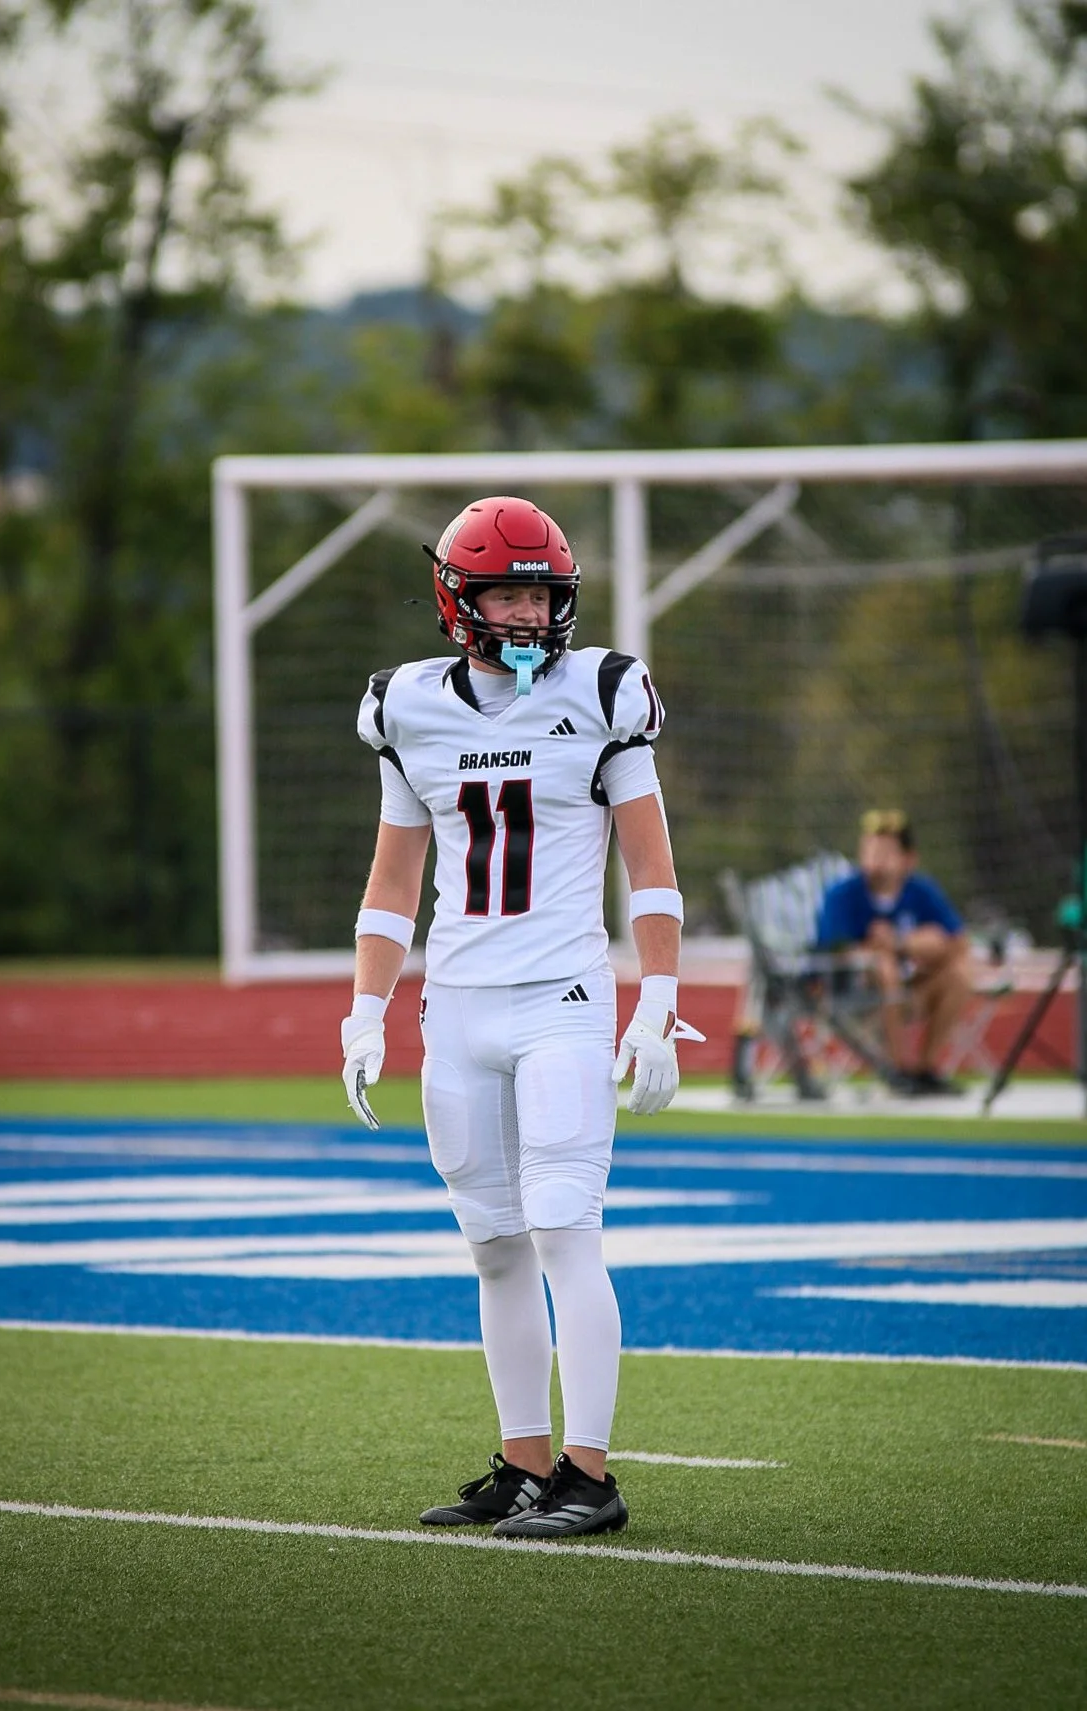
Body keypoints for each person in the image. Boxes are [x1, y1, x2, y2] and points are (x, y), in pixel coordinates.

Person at [339, 494, 700, 1541]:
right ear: (460, 599)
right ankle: (525, 1462)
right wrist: (368, 1008)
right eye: (509, 591)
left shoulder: (603, 695)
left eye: (543, 594)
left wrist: (660, 1001)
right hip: (455, 1007)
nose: (532, 615)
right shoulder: (408, 707)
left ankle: (590, 1475)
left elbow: (653, 868)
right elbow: (393, 879)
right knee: (492, 1243)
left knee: (562, 1230)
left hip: (563, 1001)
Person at [813, 809, 972, 1096]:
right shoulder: (843, 894)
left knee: (960, 974)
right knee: (883, 967)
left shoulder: (921, 891)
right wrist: (873, 952)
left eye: (885, 852)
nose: (875, 859)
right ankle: (897, 1071)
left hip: (911, 993)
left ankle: (924, 1070)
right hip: (859, 1001)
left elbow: (958, 943)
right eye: (869, 850)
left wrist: (904, 943)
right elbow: (832, 950)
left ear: (908, 859)